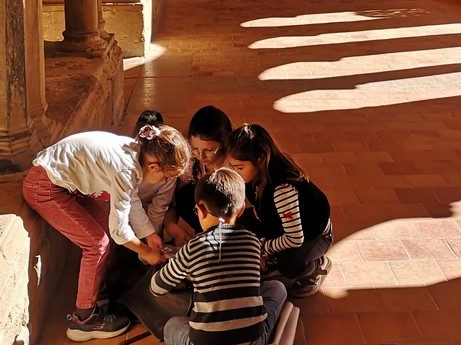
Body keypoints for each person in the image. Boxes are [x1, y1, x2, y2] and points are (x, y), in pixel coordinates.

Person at [22, 126, 189, 341]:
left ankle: (95, 289)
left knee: (102, 230)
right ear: (154, 166)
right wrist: (146, 252)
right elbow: (119, 231)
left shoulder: (136, 154)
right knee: (96, 244)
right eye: (166, 176)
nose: (166, 181)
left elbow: (131, 199)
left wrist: (149, 234)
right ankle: (84, 319)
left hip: (63, 184)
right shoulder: (126, 168)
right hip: (44, 188)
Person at [151, 167, 287, 345]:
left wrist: (186, 271)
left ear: (201, 210)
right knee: (277, 288)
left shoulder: (193, 247)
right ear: (241, 209)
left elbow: (157, 287)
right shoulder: (252, 241)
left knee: (171, 326)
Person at [225, 123, 332, 297]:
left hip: (313, 236)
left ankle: (315, 265)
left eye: (239, 168)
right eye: (232, 167)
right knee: (240, 222)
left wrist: (264, 248)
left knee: (288, 264)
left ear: (259, 160)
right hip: (283, 224)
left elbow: (295, 238)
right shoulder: (258, 173)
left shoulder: (282, 189)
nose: (235, 173)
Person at [163, 105, 232, 246]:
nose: (201, 155)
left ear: (224, 143)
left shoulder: (233, 166)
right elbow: (172, 201)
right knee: (186, 192)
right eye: (195, 148)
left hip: (227, 221)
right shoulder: (193, 165)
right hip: (204, 221)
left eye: (209, 150)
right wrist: (171, 227)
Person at [131, 110, 189, 241]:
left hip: (147, 212)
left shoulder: (169, 172)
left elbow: (159, 207)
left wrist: (152, 237)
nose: (166, 180)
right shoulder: (128, 167)